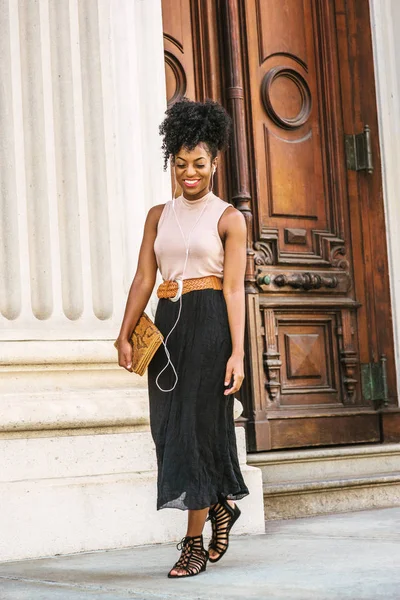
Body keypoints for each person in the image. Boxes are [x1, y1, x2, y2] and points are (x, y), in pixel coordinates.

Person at [116, 97, 249, 578]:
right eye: (180, 164)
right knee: (169, 430)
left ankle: (192, 543)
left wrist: (238, 352)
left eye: (198, 164)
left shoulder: (230, 219)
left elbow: (234, 289)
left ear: (215, 162)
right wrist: (124, 332)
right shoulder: (158, 215)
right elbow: (142, 279)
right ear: (171, 162)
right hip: (168, 323)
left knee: (195, 431)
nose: (188, 173)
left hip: (210, 322)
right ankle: (218, 506)